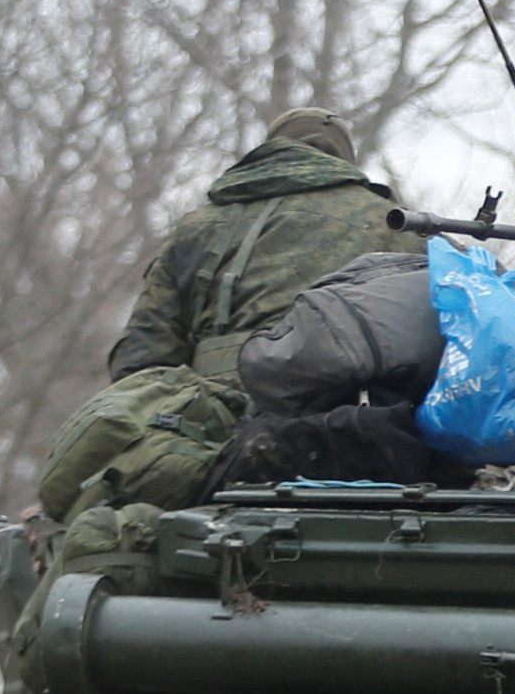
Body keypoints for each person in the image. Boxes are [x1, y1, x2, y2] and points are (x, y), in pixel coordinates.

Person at [37, 104, 399, 522]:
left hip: (211, 444)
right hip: (349, 438)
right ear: (344, 161)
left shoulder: (199, 227)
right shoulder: (390, 222)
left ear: (272, 150)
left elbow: (142, 361)